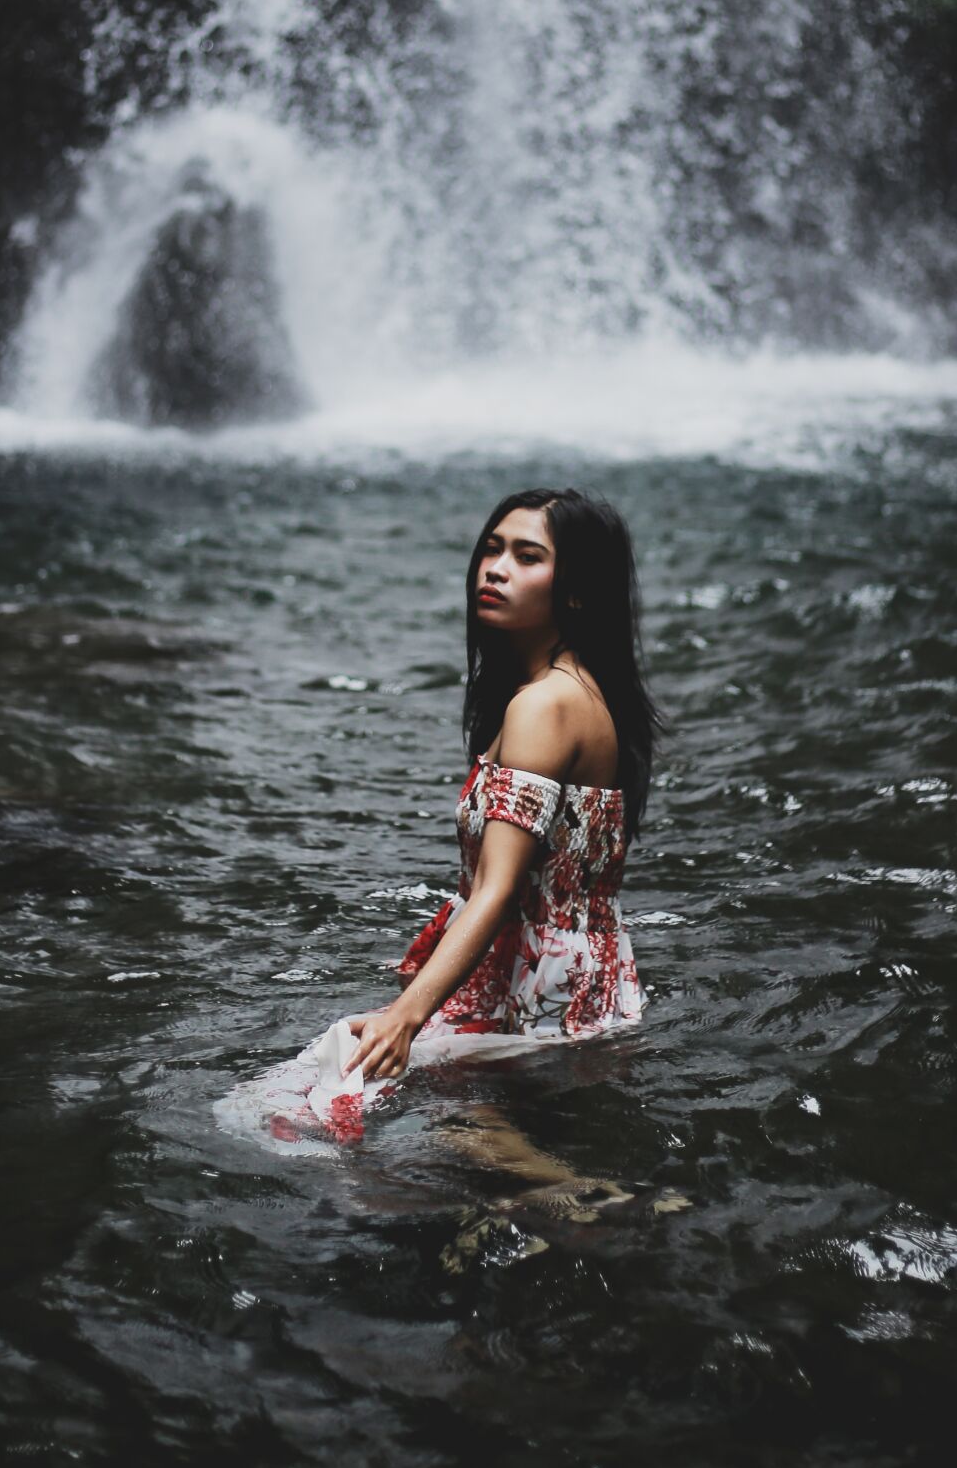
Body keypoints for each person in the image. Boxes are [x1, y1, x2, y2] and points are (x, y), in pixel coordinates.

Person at [215, 486, 659, 1145]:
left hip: (532, 1002)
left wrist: (406, 1017)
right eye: (492, 549)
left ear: (574, 591)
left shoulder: (543, 707)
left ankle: (571, 1200)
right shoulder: (584, 689)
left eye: (527, 556)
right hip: (583, 986)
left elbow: (499, 888)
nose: (495, 568)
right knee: (388, 1117)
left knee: (263, 1115)